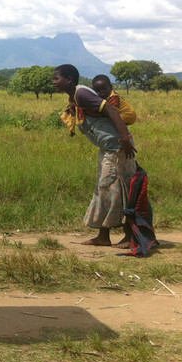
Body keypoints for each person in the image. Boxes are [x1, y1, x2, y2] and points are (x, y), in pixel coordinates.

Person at [53, 64, 137, 247]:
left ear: (69, 80)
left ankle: (130, 236)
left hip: (119, 148)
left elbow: (111, 110)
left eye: (56, 78)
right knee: (104, 189)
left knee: (116, 189)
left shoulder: (81, 94)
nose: (54, 82)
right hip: (108, 149)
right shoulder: (75, 96)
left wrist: (125, 139)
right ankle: (103, 237)